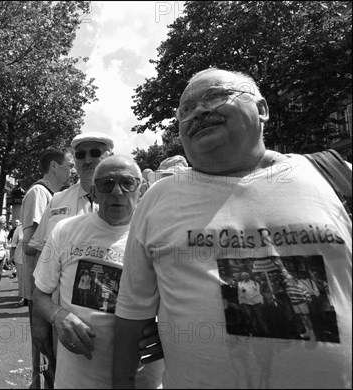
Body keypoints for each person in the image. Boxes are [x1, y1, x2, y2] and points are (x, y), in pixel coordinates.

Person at [112, 68, 352, 388]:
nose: (198, 111)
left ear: (262, 109)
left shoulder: (337, 177)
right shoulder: (157, 200)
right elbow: (132, 316)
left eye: (215, 97)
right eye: (186, 110)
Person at [33, 155, 163, 388]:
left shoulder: (160, 237)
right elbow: (40, 294)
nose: (117, 191)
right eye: (107, 184)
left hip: (141, 379)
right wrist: (58, 316)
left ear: (141, 189)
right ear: (94, 192)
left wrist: (167, 330)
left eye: (127, 183)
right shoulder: (65, 231)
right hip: (76, 379)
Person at [28, 132, 114, 387]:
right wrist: (40, 318)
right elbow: (40, 259)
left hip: (112, 321)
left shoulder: (128, 200)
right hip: (62, 321)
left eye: (95, 153)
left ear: (109, 156)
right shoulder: (57, 200)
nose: (87, 159)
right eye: (80, 154)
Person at [17, 146, 75, 389]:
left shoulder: (56, 194)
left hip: (51, 291)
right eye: (69, 165)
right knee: (45, 361)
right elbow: (30, 244)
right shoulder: (40, 193)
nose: (73, 171)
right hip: (42, 290)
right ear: (54, 166)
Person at [237, 272, 268, 336]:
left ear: (249, 276)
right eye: (243, 276)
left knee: (260, 317)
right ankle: (254, 331)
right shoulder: (240, 284)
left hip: (256, 303)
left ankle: (265, 330)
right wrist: (240, 302)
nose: (245, 276)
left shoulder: (255, 283)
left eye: (246, 275)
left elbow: (259, 292)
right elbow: (239, 293)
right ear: (241, 277)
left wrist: (262, 301)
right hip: (246, 303)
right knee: (249, 317)